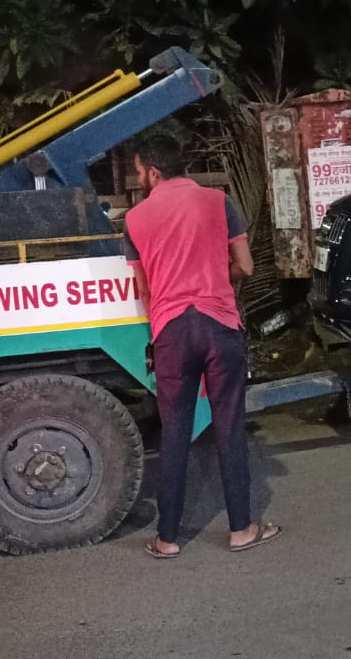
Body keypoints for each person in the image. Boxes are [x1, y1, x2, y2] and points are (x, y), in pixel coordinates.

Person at [124, 135, 281, 559]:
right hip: (218, 326)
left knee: (175, 433)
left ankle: (167, 539)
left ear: (154, 173)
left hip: (172, 332)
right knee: (228, 428)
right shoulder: (218, 201)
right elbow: (245, 265)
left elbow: (145, 290)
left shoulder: (134, 219)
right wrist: (213, 275)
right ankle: (242, 531)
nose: (138, 178)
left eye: (139, 171)